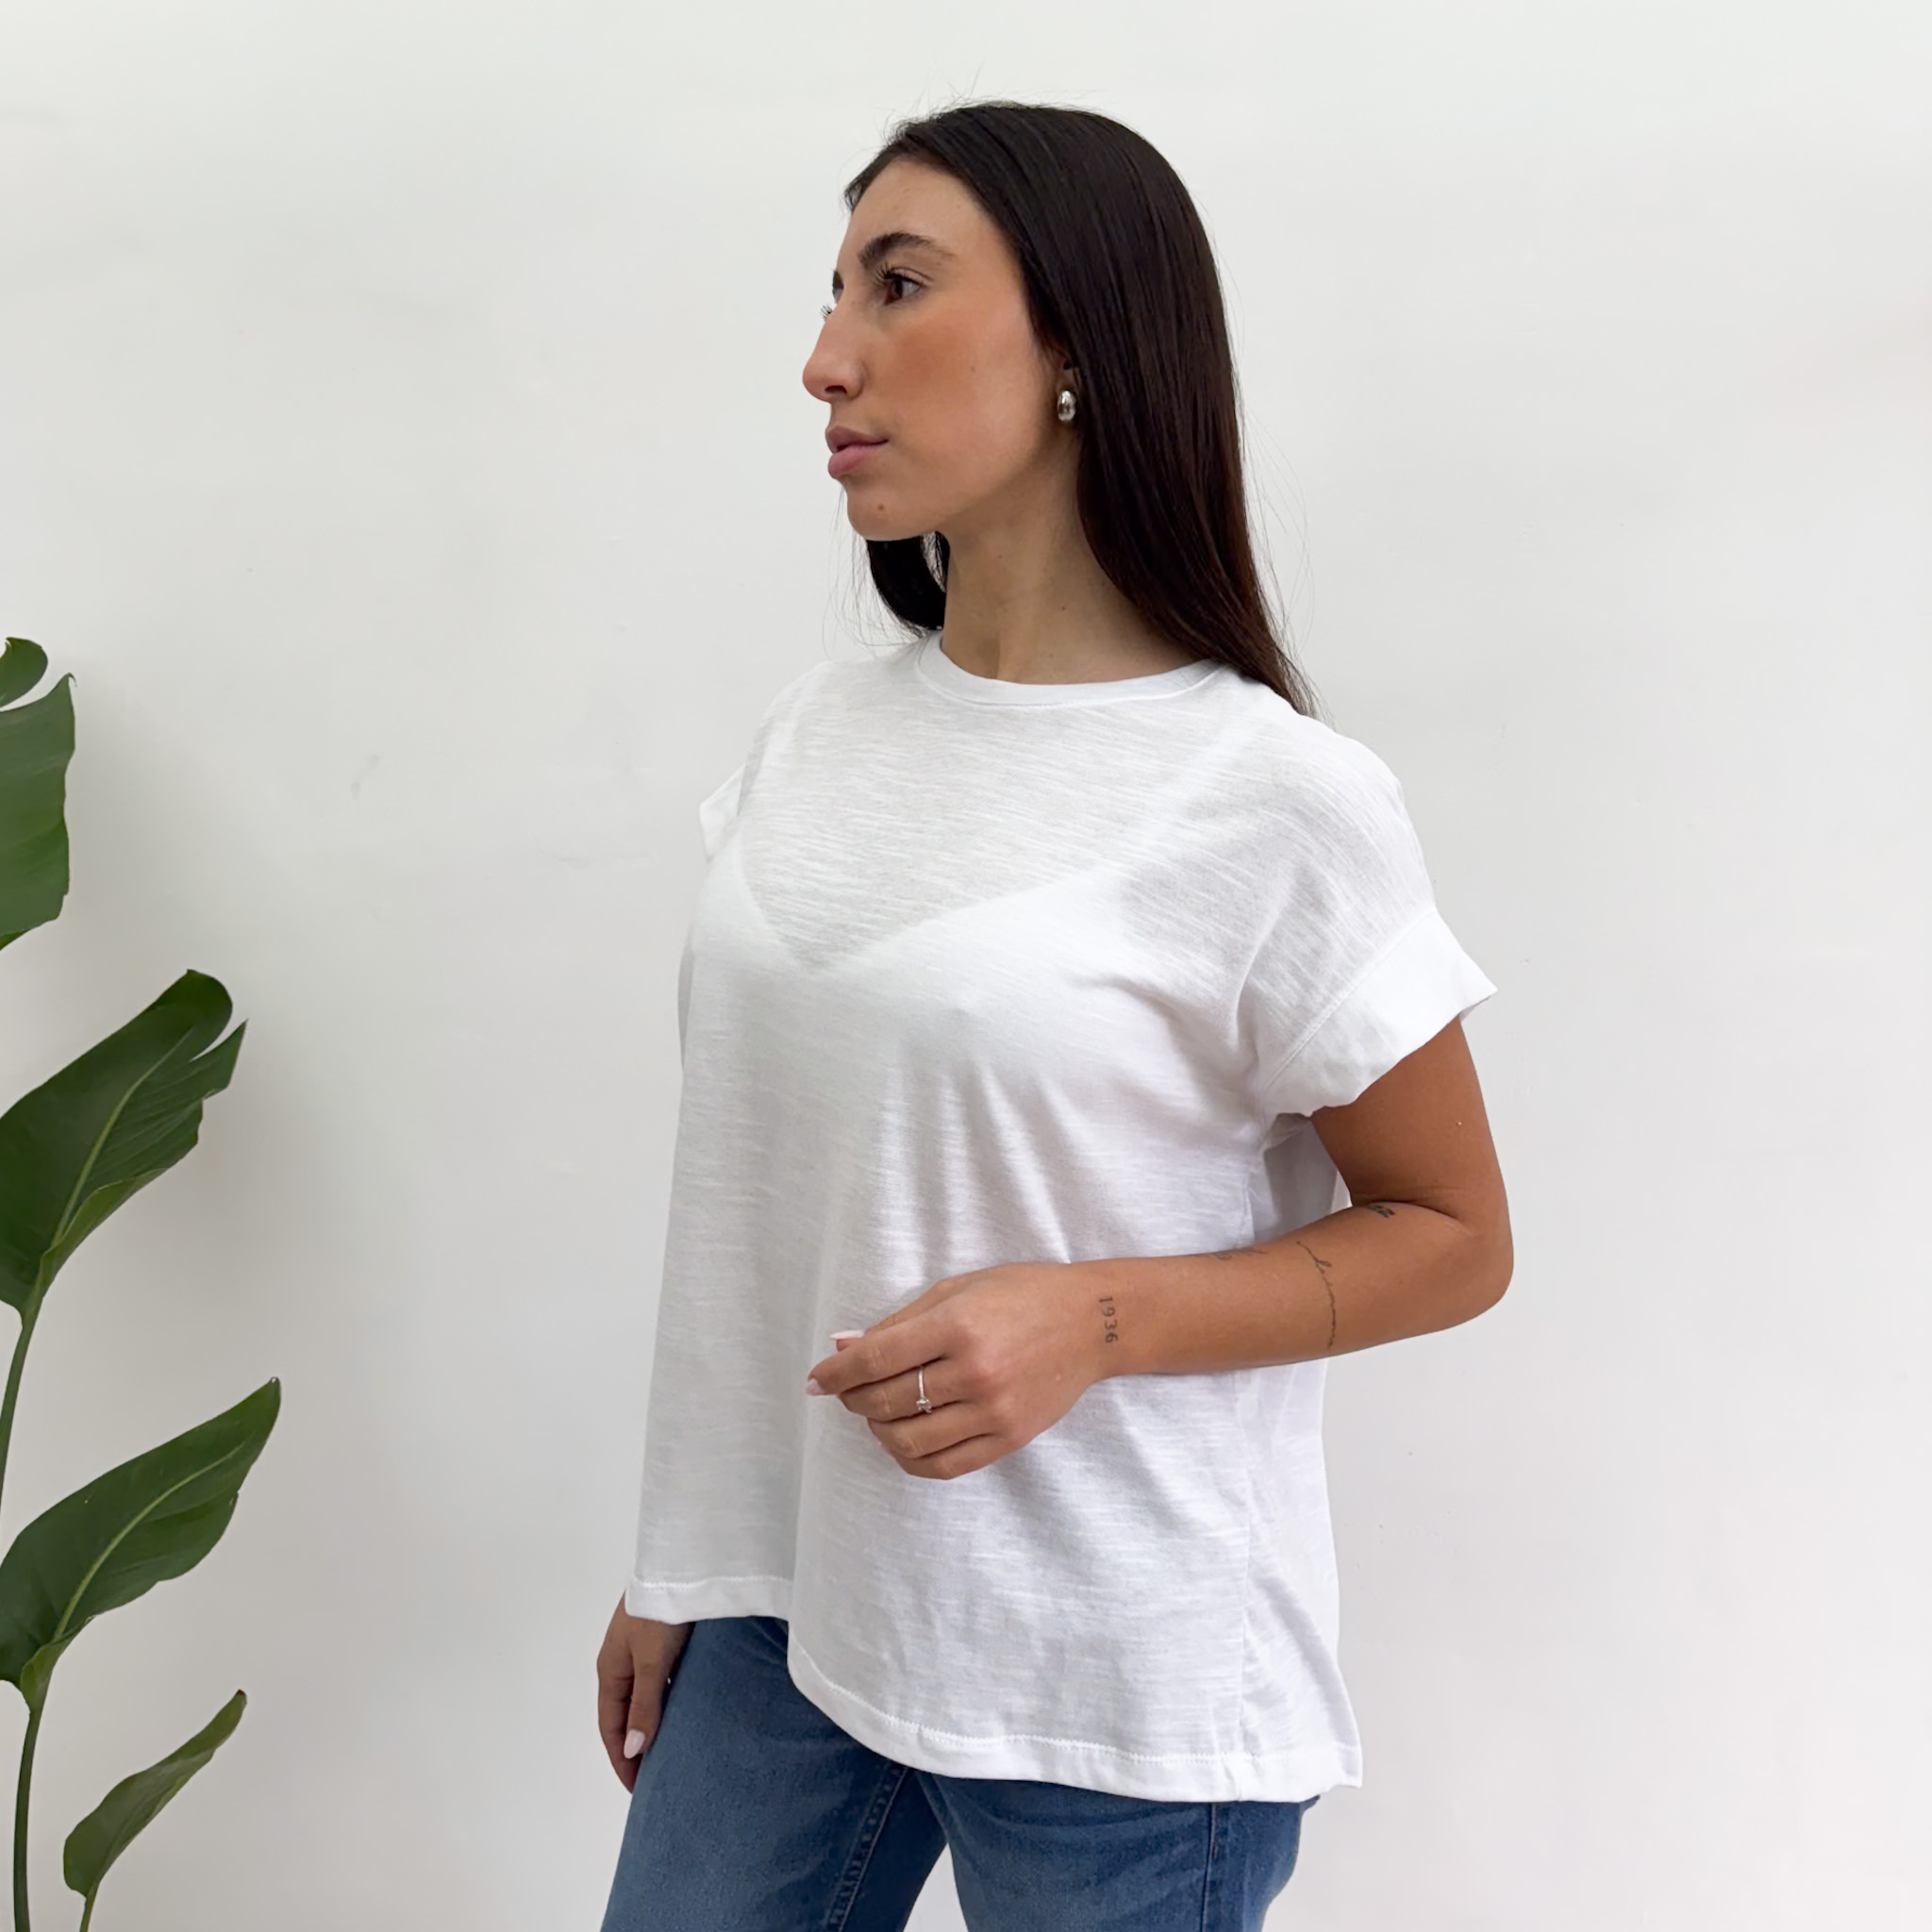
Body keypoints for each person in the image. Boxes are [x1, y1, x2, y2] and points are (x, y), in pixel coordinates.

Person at [595, 99, 1512, 1932]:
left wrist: (1091, 1320)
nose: (825, 358)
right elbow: (772, 1200)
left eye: (897, 286)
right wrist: (686, 1559)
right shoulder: (813, 739)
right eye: (832, 293)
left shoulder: (1269, 799)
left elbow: (1454, 1234)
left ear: (1083, 344)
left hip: (1114, 1681)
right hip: (791, 1614)